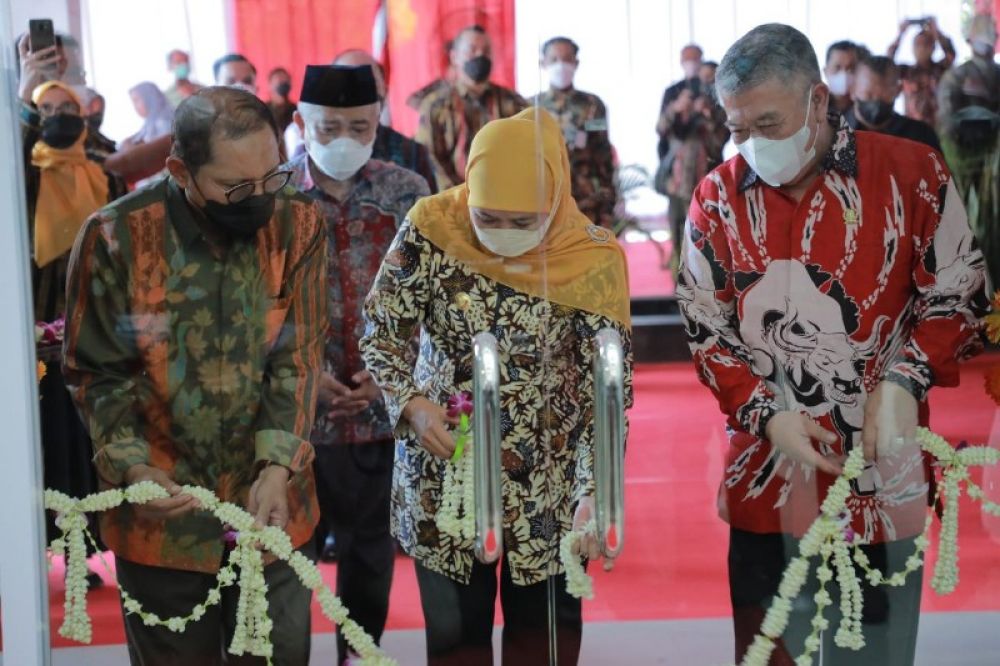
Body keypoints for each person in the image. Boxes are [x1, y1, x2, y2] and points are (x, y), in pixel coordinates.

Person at [677, 23, 988, 666]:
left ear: (818, 101)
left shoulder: (909, 174)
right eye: (738, 129)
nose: (752, 144)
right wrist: (767, 415)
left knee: (871, 655)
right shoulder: (717, 199)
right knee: (770, 655)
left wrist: (906, 379)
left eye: (769, 122)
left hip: (881, 480)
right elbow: (705, 328)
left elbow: (958, 291)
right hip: (765, 482)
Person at [63, 87, 328, 666]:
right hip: (163, 524)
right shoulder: (117, 236)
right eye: (234, 188)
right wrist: (133, 467)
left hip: (274, 509)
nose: (259, 199)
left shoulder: (298, 221)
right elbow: (96, 374)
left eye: (271, 177)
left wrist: (277, 465)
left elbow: (299, 356)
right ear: (180, 170)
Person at [360, 107, 633, 665]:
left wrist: (593, 492)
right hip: (448, 474)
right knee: (456, 641)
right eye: (489, 217)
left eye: (523, 220)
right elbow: (382, 331)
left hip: (550, 487)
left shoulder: (593, 257)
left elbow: (606, 393)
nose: (505, 235)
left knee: (545, 644)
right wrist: (411, 404)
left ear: (555, 198)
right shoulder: (434, 227)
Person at [286, 63, 430, 666]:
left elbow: (434, 292)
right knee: (286, 550)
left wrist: (395, 370)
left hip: (380, 405)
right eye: (328, 126)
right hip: (291, 409)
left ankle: (358, 654)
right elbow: (250, 299)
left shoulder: (409, 191)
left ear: (378, 122)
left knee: (370, 549)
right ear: (300, 123)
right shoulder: (270, 194)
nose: (344, 136)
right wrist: (302, 372)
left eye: (359, 125)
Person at [19, 77, 126, 588]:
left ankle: (82, 551)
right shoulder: (20, 176)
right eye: (48, 108)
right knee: (39, 449)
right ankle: (28, 549)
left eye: (69, 107)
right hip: (28, 344)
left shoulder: (108, 179)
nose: (60, 116)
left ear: (88, 116)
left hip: (93, 340)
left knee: (84, 450)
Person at [415, 25, 527, 190]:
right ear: (454, 57)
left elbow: (526, 152)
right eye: (472, 50)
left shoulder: (513, 102)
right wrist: (457, 197)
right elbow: (428, 158)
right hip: (450, 201)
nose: (480, 55)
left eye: (486, 50)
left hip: (505, 199)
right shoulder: (435, 105)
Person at [936, 14, 1000, 291]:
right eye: (982, 35)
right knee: (967, 224)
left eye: (991, 35)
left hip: (995, 163)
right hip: (962, 161)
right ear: (969, 39)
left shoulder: (997, 75)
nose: (987, 41)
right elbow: (947, 120)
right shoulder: (957, 76)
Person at [655, 43, 728, 276]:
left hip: (709, 179)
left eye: (696, 59)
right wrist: (677, 109)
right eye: (688, 59)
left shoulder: (716, 96)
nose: (693, 64)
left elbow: (721, 139)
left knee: (710, 235)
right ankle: (680, 292)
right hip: (677, 182)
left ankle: (712, 291)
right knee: (679, 235)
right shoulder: (673, 92)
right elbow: (661, 129)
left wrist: (706, 114)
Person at [536, 36, 617, 228]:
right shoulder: (532, 106)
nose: (561, 65)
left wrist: (607, 204)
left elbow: (602, 154)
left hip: (586, 199)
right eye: (554, 59)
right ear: (543, 63)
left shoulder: (593, 105)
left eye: (566, 58)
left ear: (576, 62)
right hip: (543, 201)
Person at [333, 49, 438, 193]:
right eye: (348, 81)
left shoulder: (412, 153)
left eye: (369, 82)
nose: (359, 91)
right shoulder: (313, 156)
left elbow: (430, 211)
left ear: (384, 90)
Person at [845, 56, 941, 152]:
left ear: (898, 90)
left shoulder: (921, 135)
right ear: (853, 90)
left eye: (885, 94)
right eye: (869, 94)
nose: (876, 100)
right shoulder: (834, 133)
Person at [887, 16, 955, 127]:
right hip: (913, 128)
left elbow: (950, 54)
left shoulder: (939, 69)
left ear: (933, 48)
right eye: (918, 45)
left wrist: (936, 31)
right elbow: (887, 64)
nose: (922, 48)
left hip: (938, 127)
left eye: (926, 44)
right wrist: (901, 33)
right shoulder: (906, 71)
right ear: (913, 48)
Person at [121, 82, 174, 150]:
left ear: (149, 98)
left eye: (136, 100)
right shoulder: (149, 125)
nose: (135, 107)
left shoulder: (164, 120)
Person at [824, 40, 868, 114]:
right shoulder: (813, 109)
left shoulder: (867, 112)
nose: (844, 75)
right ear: (825, 72)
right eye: (837, 68)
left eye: (851, 68)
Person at [268, 67, 297, 133]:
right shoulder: (263, 109)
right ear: (270, 85)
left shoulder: (296, 110)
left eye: (286, 81)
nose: (283, 84)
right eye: (279, 81)